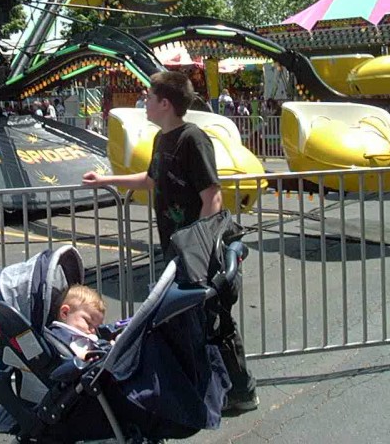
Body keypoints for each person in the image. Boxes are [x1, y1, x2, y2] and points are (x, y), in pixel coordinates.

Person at [81, 71, 257, 414]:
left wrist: (204, 253)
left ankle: (242, 390)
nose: (143, 102)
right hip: (177, 249)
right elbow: (150, 180)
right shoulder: (162, 140)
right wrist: (107, 179)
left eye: (148, 97)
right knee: (190, 323)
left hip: (199, 252)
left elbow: (212, 197)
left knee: (215, 323)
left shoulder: (194, 139)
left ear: (165, 103)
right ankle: (207, 388)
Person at [48, 284, 108, 360]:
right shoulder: (56, 336)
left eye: (96, 327)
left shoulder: (87, 336)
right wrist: (81, 357)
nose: (93, 331)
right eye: (88, 323)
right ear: (65, 313)